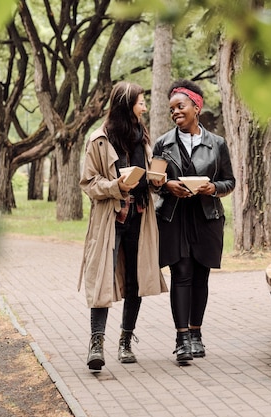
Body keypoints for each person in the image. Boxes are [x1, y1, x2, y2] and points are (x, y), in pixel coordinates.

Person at [78, 81, 167, 371]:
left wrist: (156, 180)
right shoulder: (100, 140)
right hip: (110, 218)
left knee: (135, 279)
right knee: (102, 277)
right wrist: (116, 186)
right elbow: (89, 183)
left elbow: (147, 175)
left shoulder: (143, 136)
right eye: (141, 102)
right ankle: (96, 343)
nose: (144, 107)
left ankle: (126, 341)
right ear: (126, 104)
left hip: (139, 216)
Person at [152, 79, 235, 363]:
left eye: (180, 106)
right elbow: (154, 181)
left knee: (201, 276)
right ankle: (182, 338)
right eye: (172, 108)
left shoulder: (217, 144)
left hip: (206, 217)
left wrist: (213, 188)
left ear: (196, 107)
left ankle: (197, 334)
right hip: (174, 218)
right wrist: (167, 186)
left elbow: (229, 181)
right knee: (181, 274)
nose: (175, 112)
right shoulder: (163, 144)